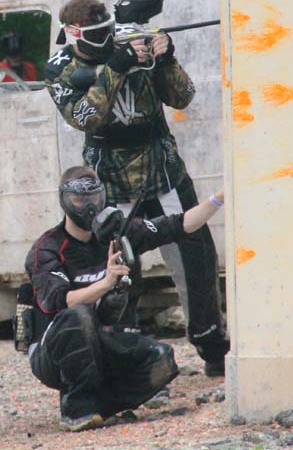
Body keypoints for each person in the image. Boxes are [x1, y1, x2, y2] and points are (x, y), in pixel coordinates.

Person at [43, 0, 229, 377]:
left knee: (197, 260)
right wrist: (116, 68)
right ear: (73, 34)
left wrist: (166, 58)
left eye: (108, 30)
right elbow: (86, 117)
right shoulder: (59, 68)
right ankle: (126, 358)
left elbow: (183, 96)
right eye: (97, 33)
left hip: (164, 173)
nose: (107, 38)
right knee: (118, 273)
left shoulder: (134, 42)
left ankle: (213, 347)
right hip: (110, 183)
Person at [25, 166, 226, 431]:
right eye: (79, 200)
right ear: (64, 201)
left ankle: (99, 404)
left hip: (101, 343)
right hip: (51, 353)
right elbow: (63, 302)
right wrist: (106, 282)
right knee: (78, 315)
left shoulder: (117, 234)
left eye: (94, 198)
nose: (88, 207)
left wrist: (221, 197)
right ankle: (77, 408)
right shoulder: (47, 248)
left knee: (161, 360)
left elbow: (179, 225)